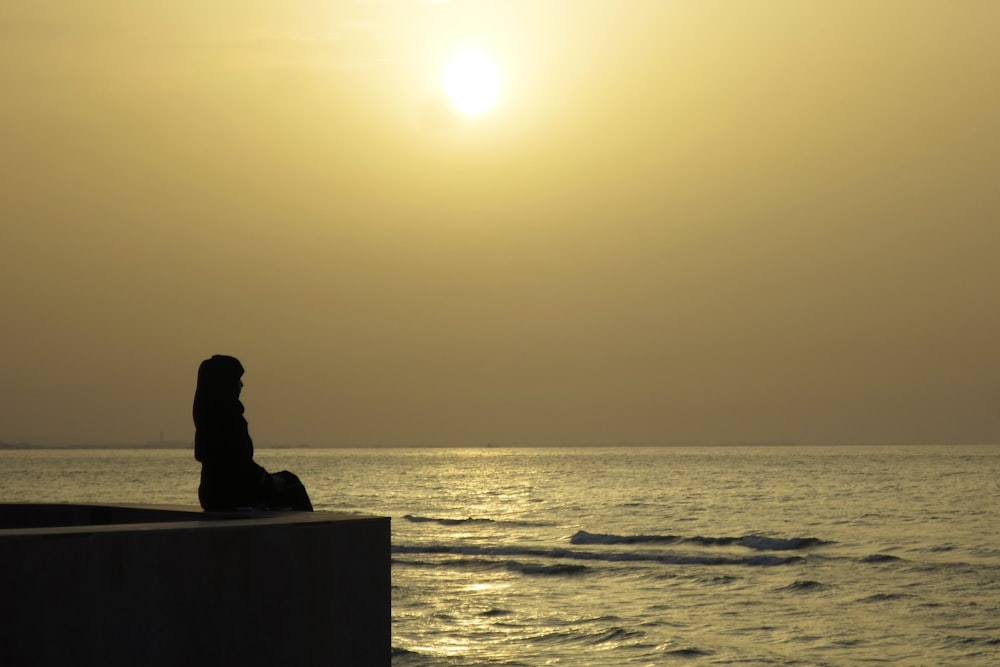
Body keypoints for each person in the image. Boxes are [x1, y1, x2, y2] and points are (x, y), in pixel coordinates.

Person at [193, 354, 313, 511]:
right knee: (291, 484)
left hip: (212, 493)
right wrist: (267, 481)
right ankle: (314, 533)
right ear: (226, 383)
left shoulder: (207, 417)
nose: (241, 385)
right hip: (231, 494)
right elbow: (238, 465)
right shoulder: (228, 419)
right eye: (237, 380)